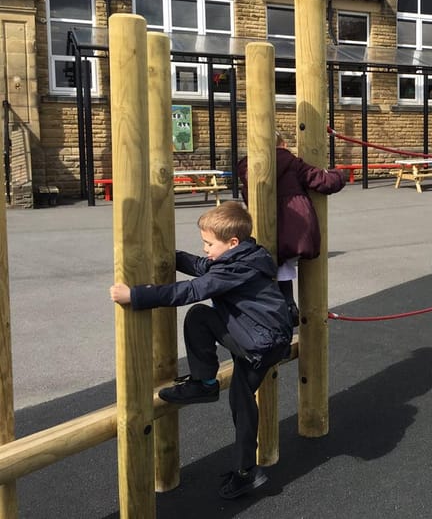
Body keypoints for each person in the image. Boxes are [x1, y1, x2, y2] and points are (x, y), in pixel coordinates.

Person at [109, 201, 292, 500]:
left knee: (199, 316)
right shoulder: (246, 257)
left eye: (209, 243)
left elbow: (194, 289)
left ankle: (204, 383)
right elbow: (202, 266)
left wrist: (135, 295)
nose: (205, 249)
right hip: (268, 340)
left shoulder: (232, 269)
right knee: (241, 400)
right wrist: (170, 255)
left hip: (257, 342)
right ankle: (247, 472)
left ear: (232, 243)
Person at [237, 131, 346, 327]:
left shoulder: (248, 168)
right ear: (284, 144)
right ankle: (288, 305)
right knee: (283, 264)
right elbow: (322, 181)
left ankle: (271, 308)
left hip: (262, 224)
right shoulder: (293, 163)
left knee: (270, 264)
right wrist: (339, 174)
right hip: (294, 227)